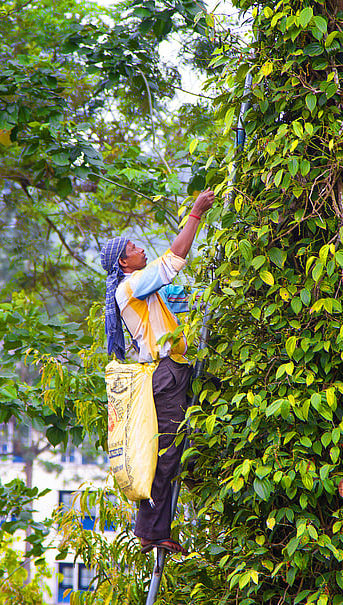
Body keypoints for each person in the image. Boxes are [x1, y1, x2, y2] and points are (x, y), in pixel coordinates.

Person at [100, 189, 215, 555]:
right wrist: (195, 213)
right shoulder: (131, 287)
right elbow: (173, 260)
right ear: (124, 263)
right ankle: (150, 532)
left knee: (177, 447)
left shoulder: (146, 289)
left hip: (175, 370)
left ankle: (157, 527)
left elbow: (184, 295)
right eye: (134, 248)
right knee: (164, 454)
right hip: (164, 375)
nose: (140, 249)